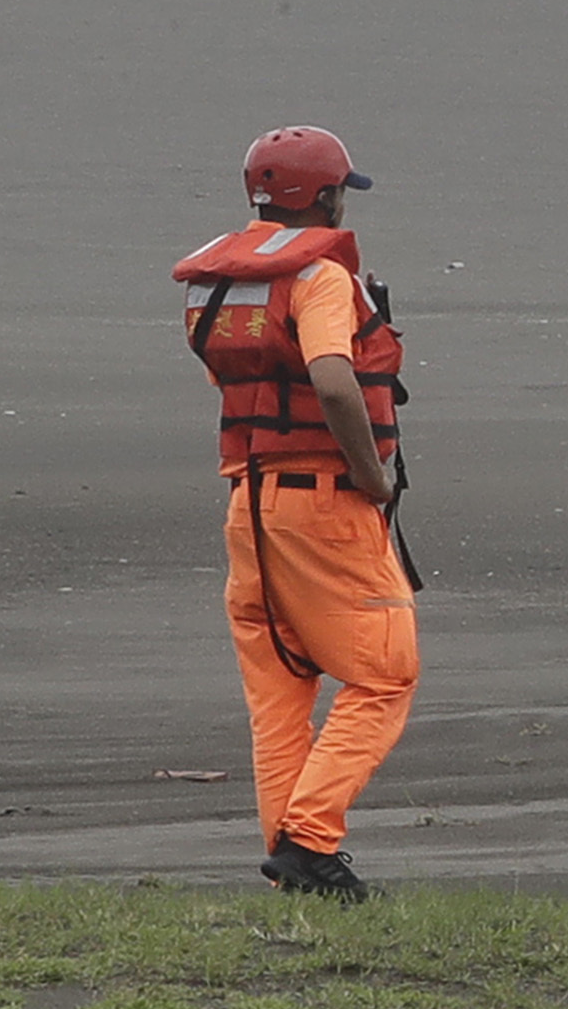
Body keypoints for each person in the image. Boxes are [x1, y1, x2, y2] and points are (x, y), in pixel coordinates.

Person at [176, 125, 416, 899]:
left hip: (248, 510)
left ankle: (295, 878)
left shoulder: (219, 284)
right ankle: (311, 843)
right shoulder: (316, 277)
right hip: (324, 508)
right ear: (325, 197)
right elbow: (334, 381)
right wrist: (373, 473)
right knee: (384, 674)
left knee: (282, 695)